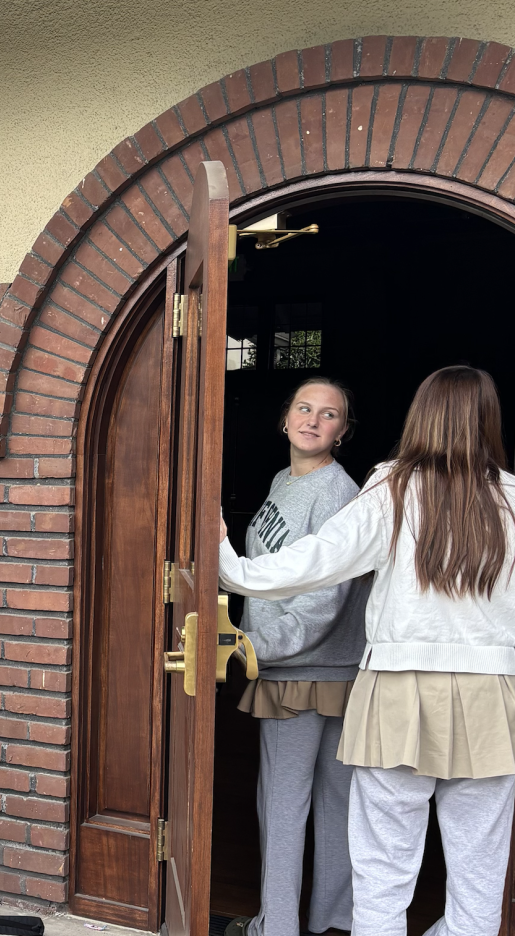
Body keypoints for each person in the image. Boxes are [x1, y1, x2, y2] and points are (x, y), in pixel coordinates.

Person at [218, 366, 515, 936]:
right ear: (488, 419)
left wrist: (229, 565)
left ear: (420, 416)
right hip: (492, 694)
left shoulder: (392, 488)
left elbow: (317, 560)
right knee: (478, 876)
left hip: (398, 690)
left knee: (383, 867)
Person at [224, 378, 368, 936]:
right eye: (304, 408)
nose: (312, 420)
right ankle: (331, 922)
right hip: (322, 667)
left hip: (302, 669)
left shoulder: (336, 491)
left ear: (343, 431)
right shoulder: (284, 481)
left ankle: (277, 925)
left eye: (328, 414)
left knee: (285, 804)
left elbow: (324, 597)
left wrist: (256, 646)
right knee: (333, 802)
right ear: (284, 418)